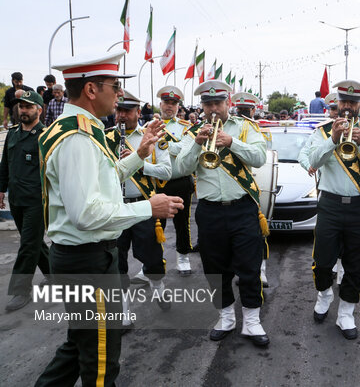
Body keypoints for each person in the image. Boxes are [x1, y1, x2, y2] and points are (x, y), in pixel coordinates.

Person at [35, 50, 183, 386]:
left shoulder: (77, 128)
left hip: (81, 257)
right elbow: (88, 214)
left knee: (78, 346)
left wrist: (139, 156)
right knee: (101, 361)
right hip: (87, 260)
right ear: (91, 90)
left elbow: (101, 181)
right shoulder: (77, 138)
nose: (119, 94)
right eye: (114, 86)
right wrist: (149, 207)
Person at [176, 80, 270, 347]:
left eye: (218, 103)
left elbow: (259, 157)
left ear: (228, 102)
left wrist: (231, 143)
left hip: (242, 208)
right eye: (208, 104)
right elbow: (180, 168)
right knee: (215, 270)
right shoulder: (193, 131)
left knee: (249, 268)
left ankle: (252, 321)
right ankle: (226, 317)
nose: (213, 109)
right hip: (209, 211)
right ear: (202, 106)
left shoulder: (245, 127)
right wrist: (196, 144)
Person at [307, 80, 360, 340]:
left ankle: (346, 313)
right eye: (344, 102)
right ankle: (324, 293)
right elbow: (313, 161)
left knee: (354, 264)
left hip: (358, 207)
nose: (348, 107)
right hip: (329, 204)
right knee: (322, 262)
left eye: (353, 102)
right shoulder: (322, 131)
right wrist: (333, 139)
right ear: (337, 103)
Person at [105, 90, 173, 322]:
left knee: (152, 257)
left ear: (137, 112)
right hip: (116, 207)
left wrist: (139, 163)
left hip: (145, 206)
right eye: (119, 110)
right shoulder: (105, 138)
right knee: (117, 261)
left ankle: (158, 287)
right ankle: (123, 312)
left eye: (127, 111)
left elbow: (167, 171)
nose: (122, 115)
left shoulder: (152, 136)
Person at [0, 90, 50, 311]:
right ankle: (54, 273)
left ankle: (21, 290)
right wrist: (1, 190)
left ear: (39, 109)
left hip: (37, 200)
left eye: (29, 107)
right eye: (21, 106)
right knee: (34, 242)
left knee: (28, 243)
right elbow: (4, 164)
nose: (24, 110)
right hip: (17, 198)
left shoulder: (46, 136)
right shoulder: (12, 134)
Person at [153, 86, 195, 275]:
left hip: (180, 180)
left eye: (173, 103)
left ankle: (183, 257)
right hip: (157, 182)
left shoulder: (185, 127)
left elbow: (184, 150)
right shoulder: (149, 126)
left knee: (182, 221)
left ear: (178, 107)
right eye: (166, 102)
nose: (169, 106)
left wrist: (162, 144)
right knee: (155, 224)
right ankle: (152, 261)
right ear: (160, 104)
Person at [232, 91, 271, 287]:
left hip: (253, 183)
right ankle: (239, 270)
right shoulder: (228, 128)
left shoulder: (258, 129)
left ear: (254, 110)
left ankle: (261, 270)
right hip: (234, 183)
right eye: (240, 110)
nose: (243, 114)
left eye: (246, 110)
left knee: (257, 232)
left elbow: (265, 157)